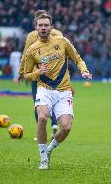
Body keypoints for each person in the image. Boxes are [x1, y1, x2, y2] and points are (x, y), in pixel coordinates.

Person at [24, 13, 92, 170]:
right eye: (40, 25)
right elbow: (27, 75)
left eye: (46, 25)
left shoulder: (62, 42)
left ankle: (49, 150)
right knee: (42, 118)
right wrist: (38, 73)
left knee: (66, 127)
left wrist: (84, 71)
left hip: (64, 91)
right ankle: (43, 159)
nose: (43, 28)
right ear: (36, 28)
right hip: (44, 90)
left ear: (51, 27)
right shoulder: (32, 50)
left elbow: (77, 59)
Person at [18, 10, 63, 139]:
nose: (42, 27)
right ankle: (54, 124)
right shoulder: (59, 34)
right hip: (55, 74)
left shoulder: (32, 36)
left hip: (38, 73)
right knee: (53, 100)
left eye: (44, 25)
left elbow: (26, 55)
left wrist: (21, 72)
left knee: (37, 103)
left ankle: (41, 132)